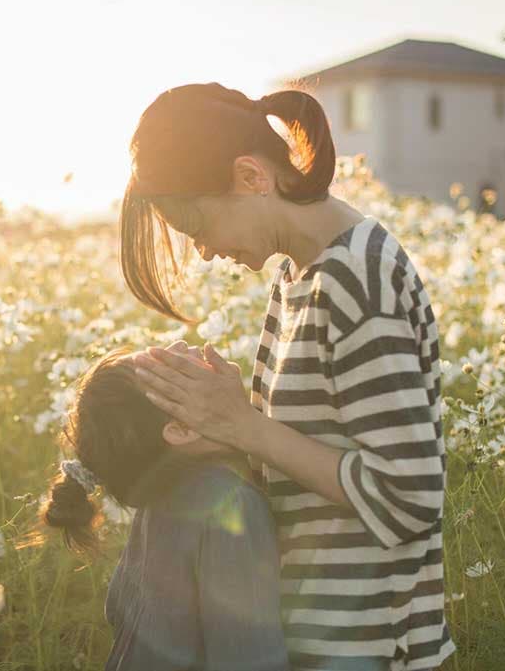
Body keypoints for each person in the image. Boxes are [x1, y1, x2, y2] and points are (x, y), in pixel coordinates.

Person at [120, 82, 455, 671]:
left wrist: (245, 426)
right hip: (313, 637)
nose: (201, 252)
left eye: (197, 227)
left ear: (251, 177)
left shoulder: (359, 281)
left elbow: (409, 496)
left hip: (366, 646)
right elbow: (309, 460)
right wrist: (216, 426)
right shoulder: (297, 278)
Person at [30, 345, 290, 671]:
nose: (182, 346)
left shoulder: (160, 505)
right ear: (180, 429)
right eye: (165, 364)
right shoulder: (228, 507)